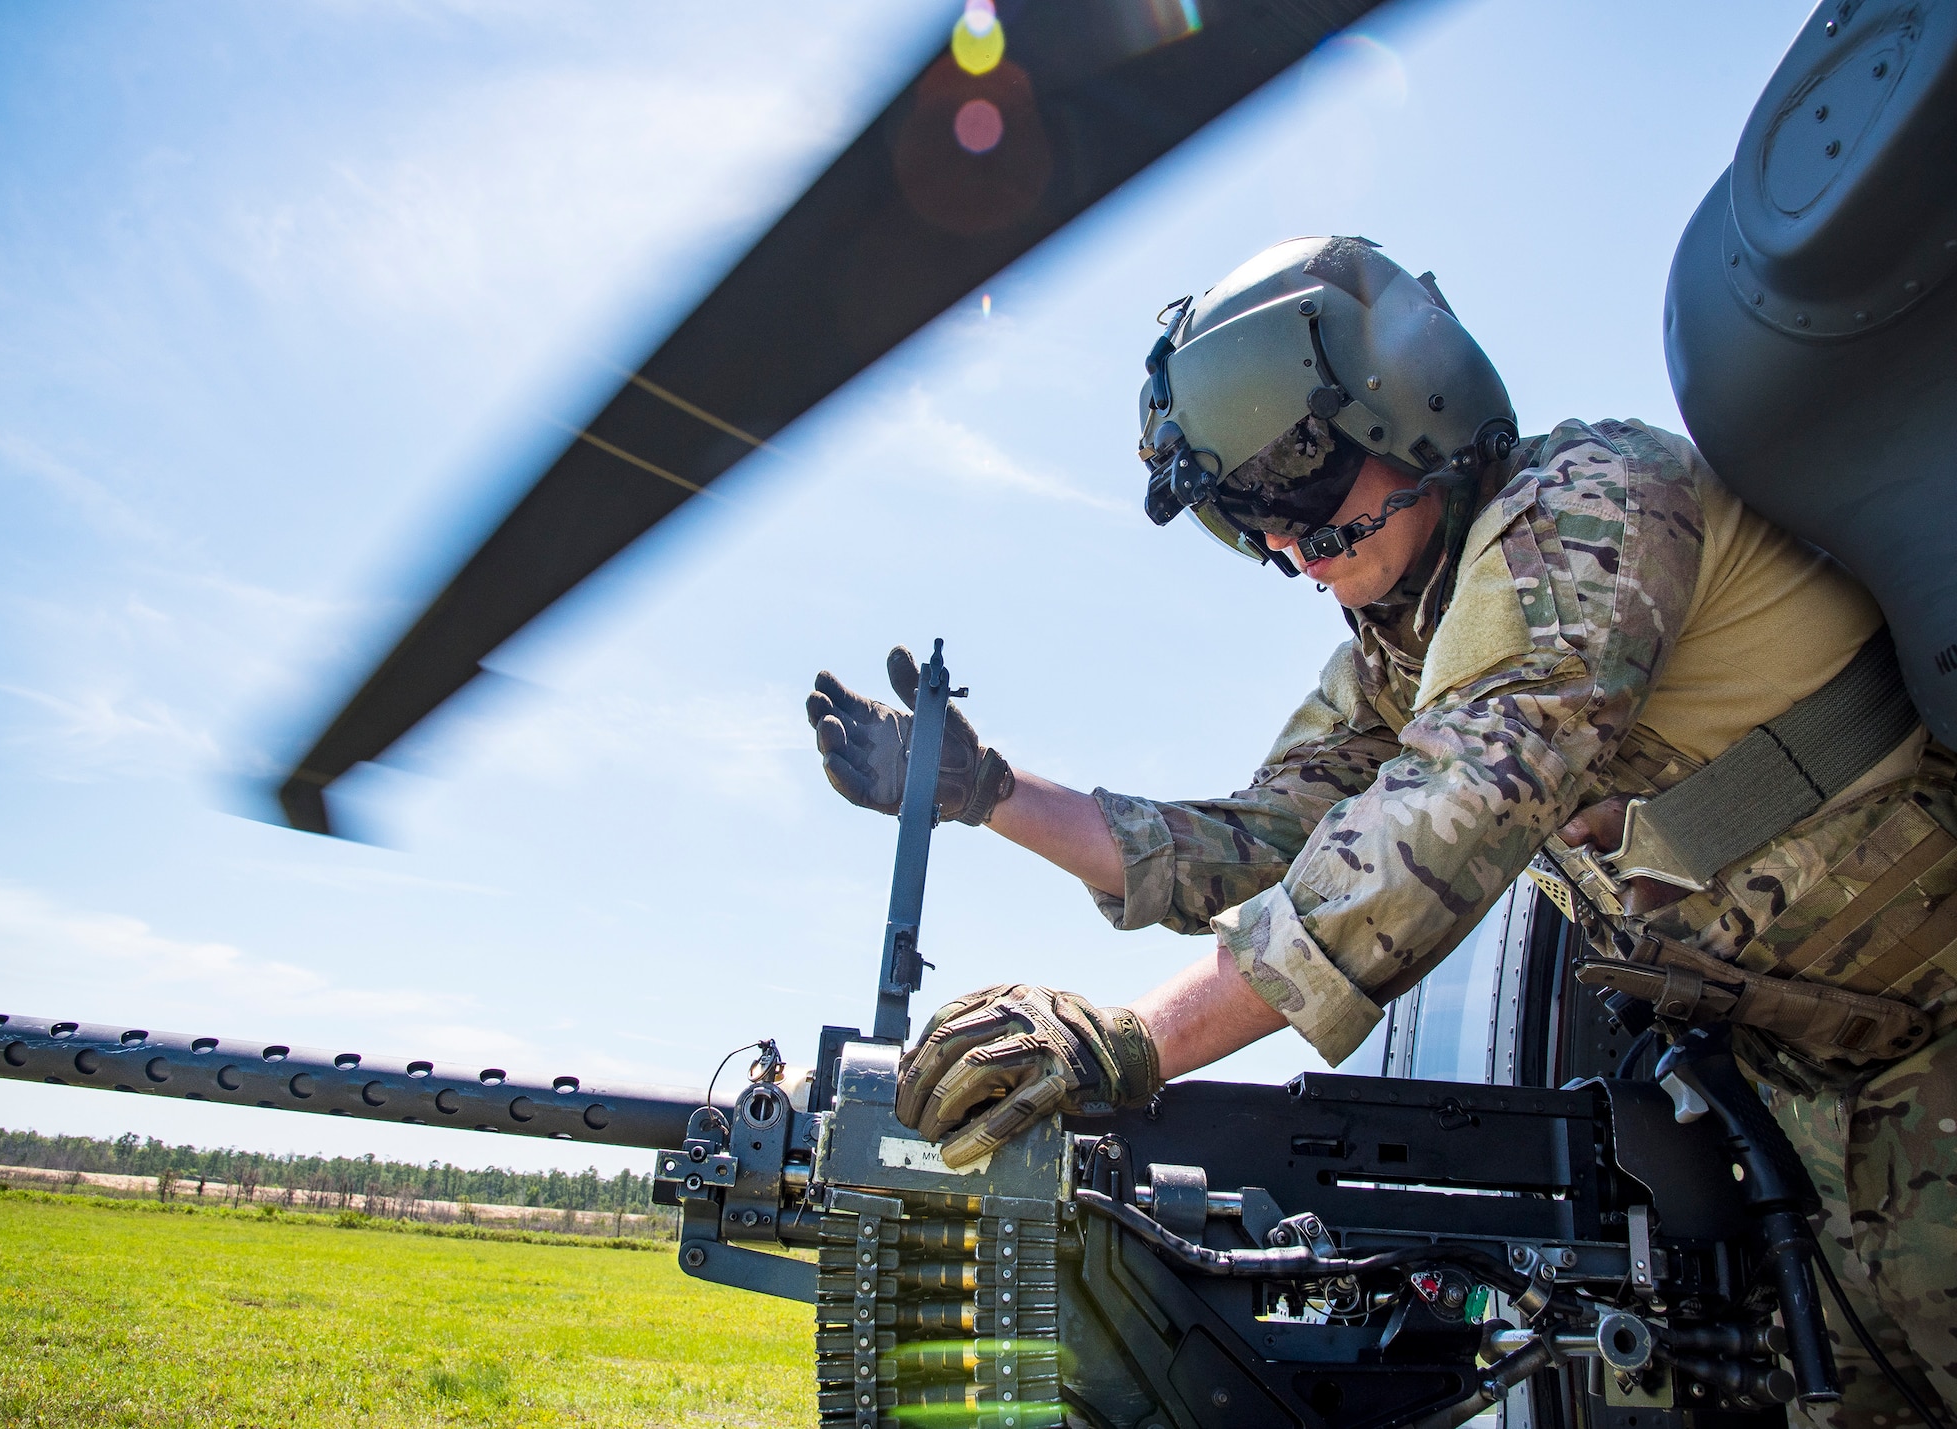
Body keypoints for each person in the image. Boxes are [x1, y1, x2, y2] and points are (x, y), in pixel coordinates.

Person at [806, 237, 1956, 1429]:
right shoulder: (1402, 642)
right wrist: (989, 791)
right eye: (1241, 519)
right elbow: (1261, 842)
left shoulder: (1589, 506)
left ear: (1411, 410)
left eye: (1297, 486)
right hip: (1812, 1110)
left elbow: (1429, 836)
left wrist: (1128, 1041)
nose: (1287, 548)